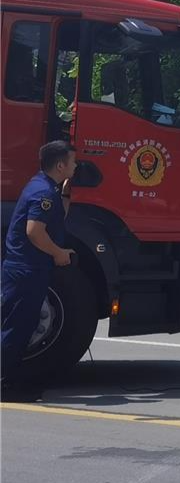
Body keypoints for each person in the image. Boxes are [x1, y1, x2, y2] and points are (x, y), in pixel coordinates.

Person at [2, 141, 77, 401]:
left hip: (27, 268)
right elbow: (34, 231)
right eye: (73, 161)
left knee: (20, 324)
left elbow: (56, 219)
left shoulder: (44, 187)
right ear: (61, 165)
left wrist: (66, 193)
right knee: (16, 326)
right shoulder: (43, 193)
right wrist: (58, 253)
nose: (76, 166)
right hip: (27, 269)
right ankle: (4, 384)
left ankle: (9, 379)